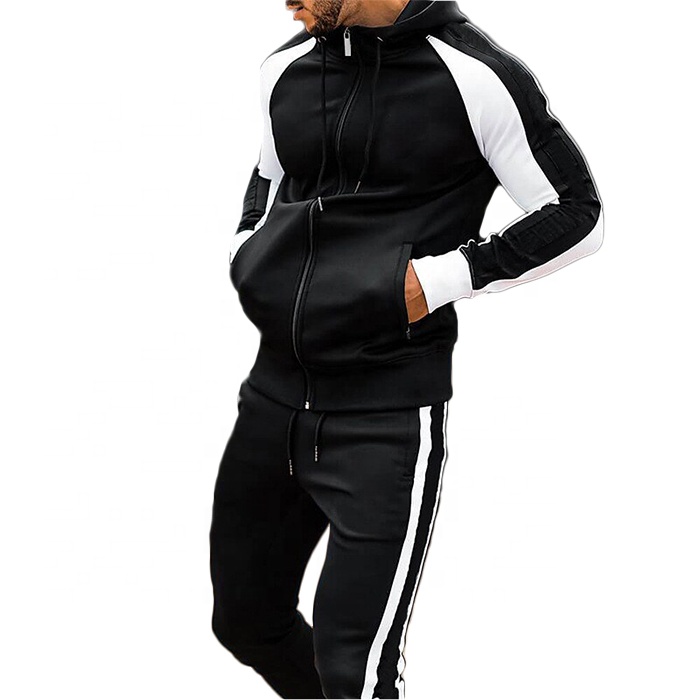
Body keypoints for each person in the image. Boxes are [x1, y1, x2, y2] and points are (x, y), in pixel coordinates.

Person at [209, 0, 604, 697]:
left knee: (357, 675)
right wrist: (247, 252)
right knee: (246, 621)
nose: (285, 3)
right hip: (270, 403)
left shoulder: (474, 74)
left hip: (384, 417)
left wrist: (438, 280)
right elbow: (268, 180)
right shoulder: (285, 69)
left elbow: (576, 213)